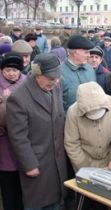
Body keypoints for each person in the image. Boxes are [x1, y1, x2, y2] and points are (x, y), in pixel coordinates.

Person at [6, 53, 67, 210]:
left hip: (57, 160)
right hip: (38, 163)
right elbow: (18, 137)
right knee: (40, 202)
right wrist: (29, 164)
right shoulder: (19, 98)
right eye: (51, 78)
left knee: (58, 201)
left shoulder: (56, 86)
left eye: (57, 77)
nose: (55, 81)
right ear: (37, 74)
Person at [64, 82, 111, 172]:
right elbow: (72, 143)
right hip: (83, 162)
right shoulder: (73, 112)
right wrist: (84, 167)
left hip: (110, 161)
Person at [0, 52, 26, 210]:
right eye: (7, 70)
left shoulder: (26, 82)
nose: (11, 73)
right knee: (7, 183)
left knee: (22, 186)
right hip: (4, 143)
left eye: (15, 70)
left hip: (24, 140)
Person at [61, 35, 96, 112]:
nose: (89, 56)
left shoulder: (90, 69)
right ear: (75, 53)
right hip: (68, 121)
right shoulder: (59, 73)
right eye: (86, 52)